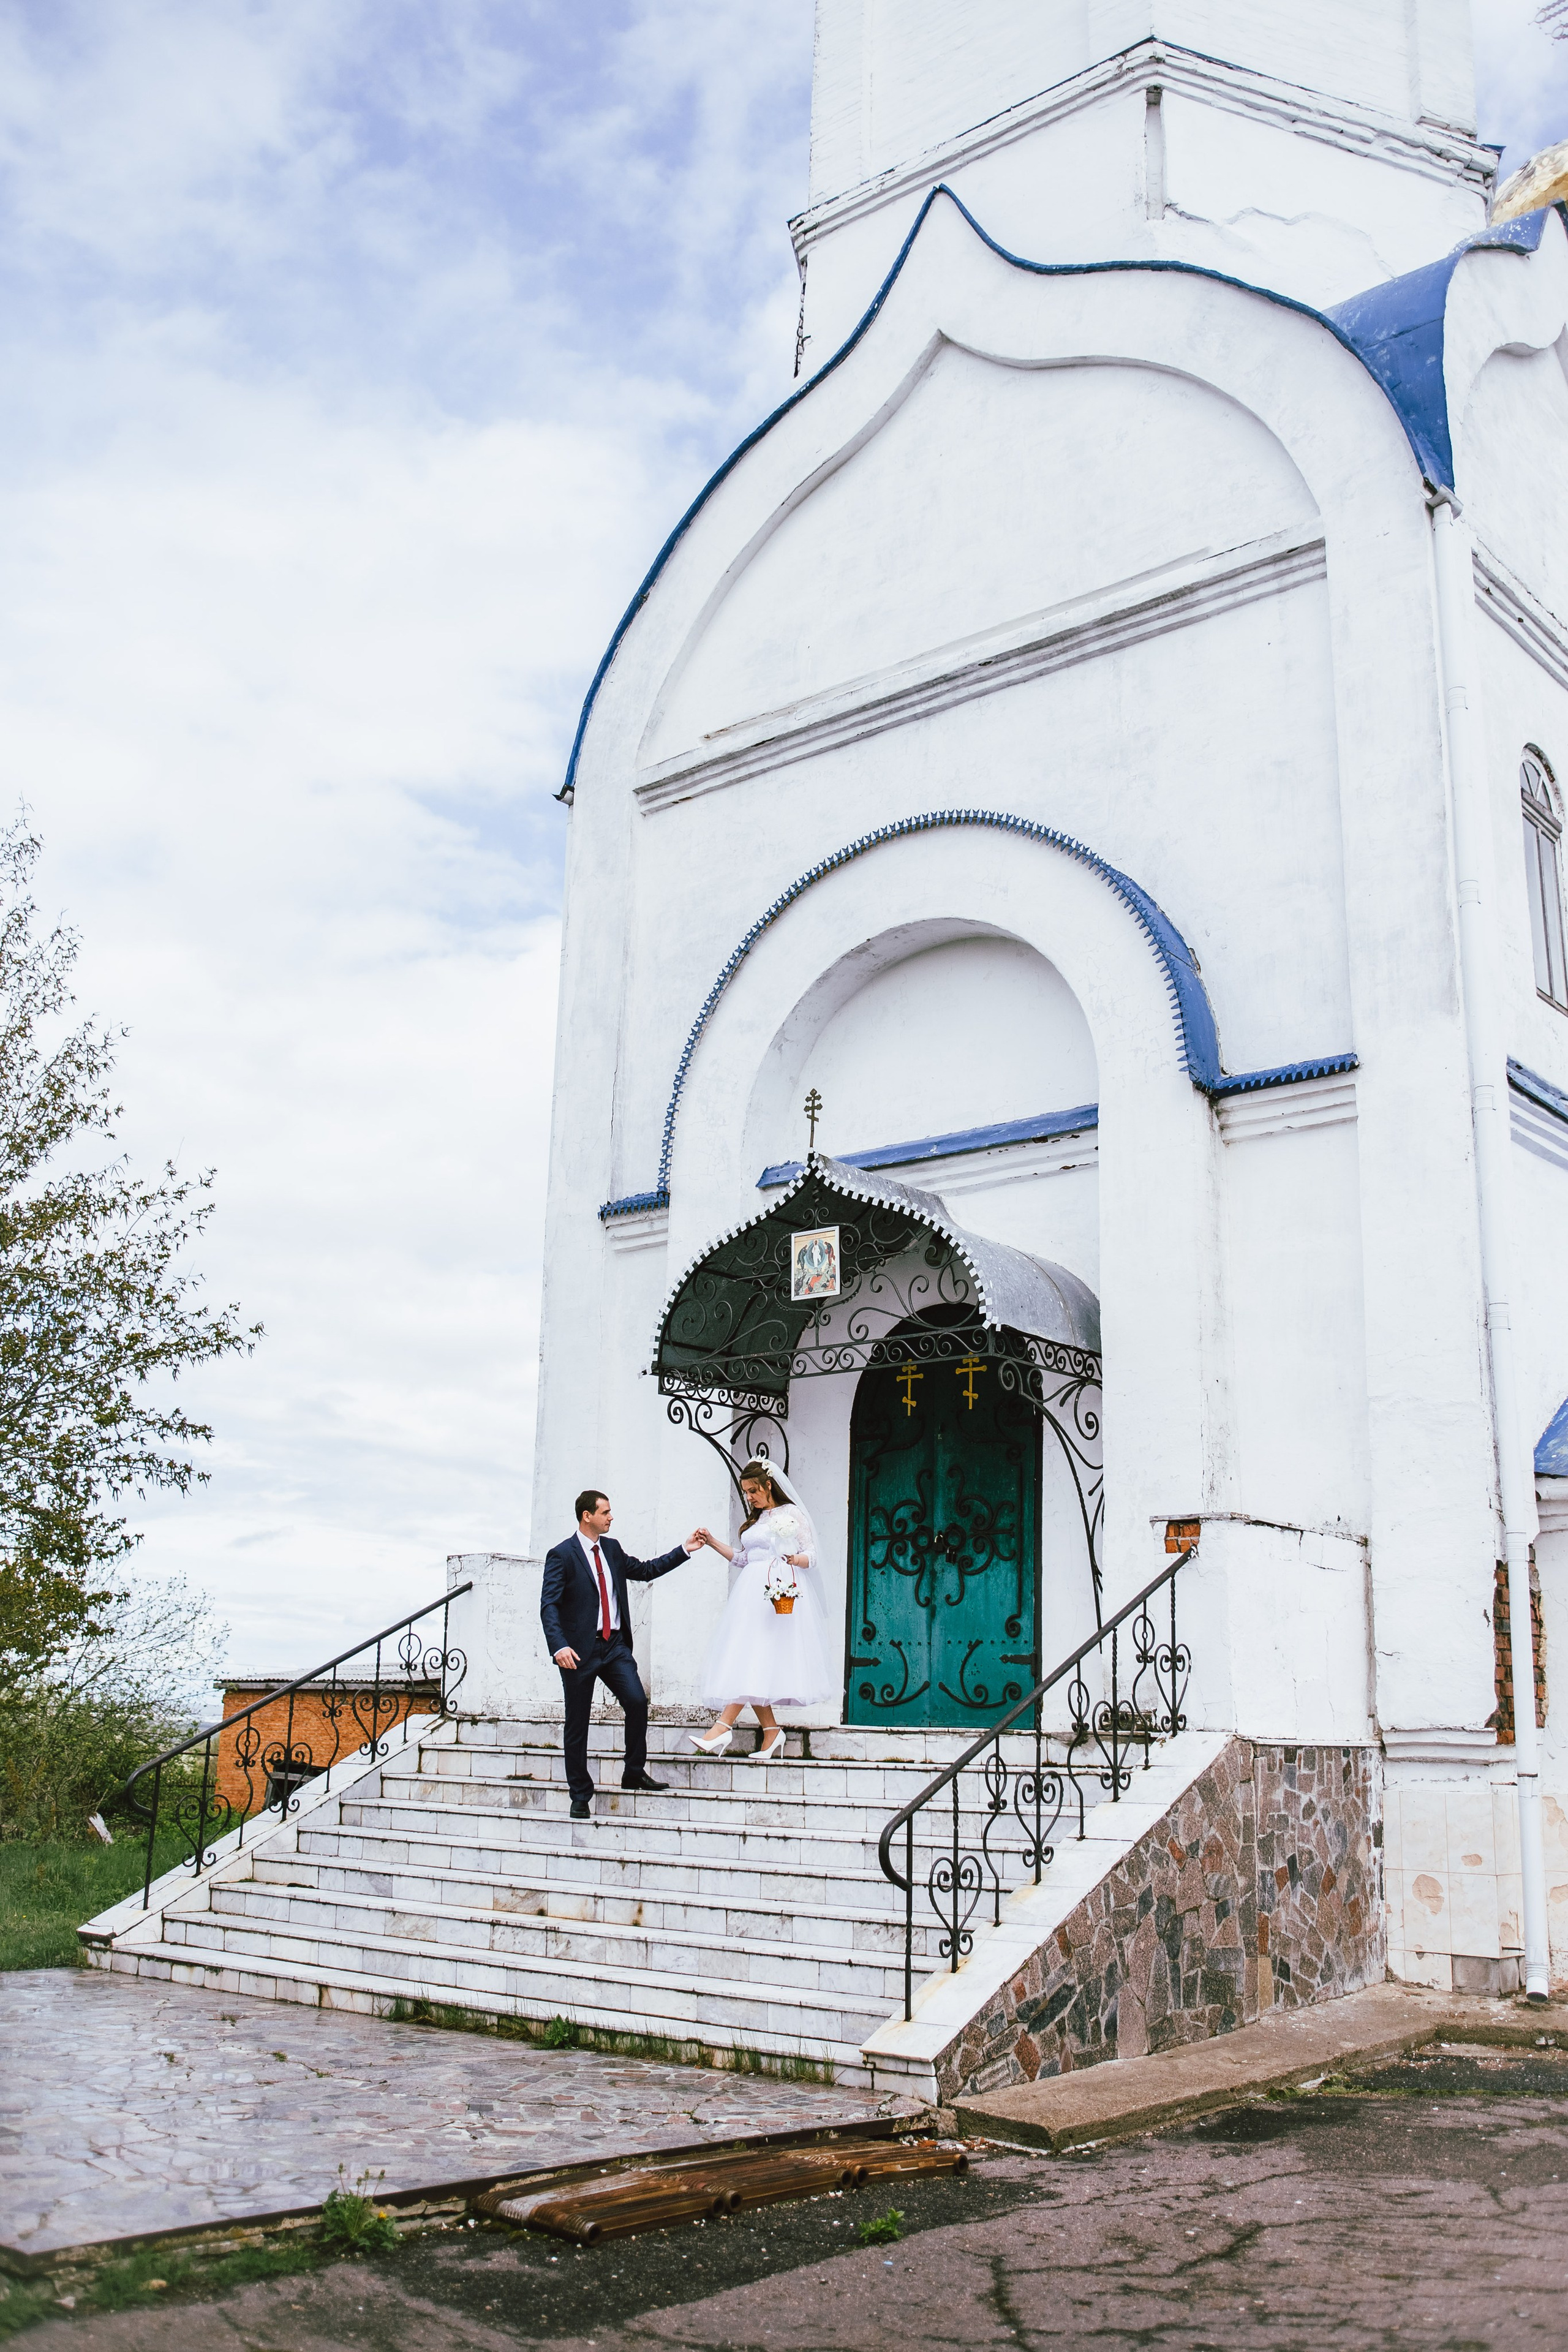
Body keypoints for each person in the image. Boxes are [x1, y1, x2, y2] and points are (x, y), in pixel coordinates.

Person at [540, 1490, 703, 1819]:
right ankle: (580, 1794)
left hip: (614, 1646)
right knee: (577, 1723)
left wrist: (684, 1550)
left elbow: (645, 1570)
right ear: (588, 1516)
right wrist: (559, 1646)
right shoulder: (562, 1555)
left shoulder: (612, 1550)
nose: (611, 1517)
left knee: (636, 1701)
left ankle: (633, 1772)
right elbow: (549, 1605)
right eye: (606, 1512)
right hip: (578, 1651)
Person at [688, 1460, 835, 1762]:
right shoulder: (755, 1520)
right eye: (746, 1493)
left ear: (769, 1485)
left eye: (753, 1491)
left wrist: (794, 1560)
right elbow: (743, 1560)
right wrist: (713, 1541)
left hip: (775, 1592)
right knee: (753, 1660)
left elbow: (813, 1555)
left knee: (750, 1657)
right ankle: (771, 1733)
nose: (750, 1497)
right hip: (749, 1595)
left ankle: (722, 1728)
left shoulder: (791, 1513)